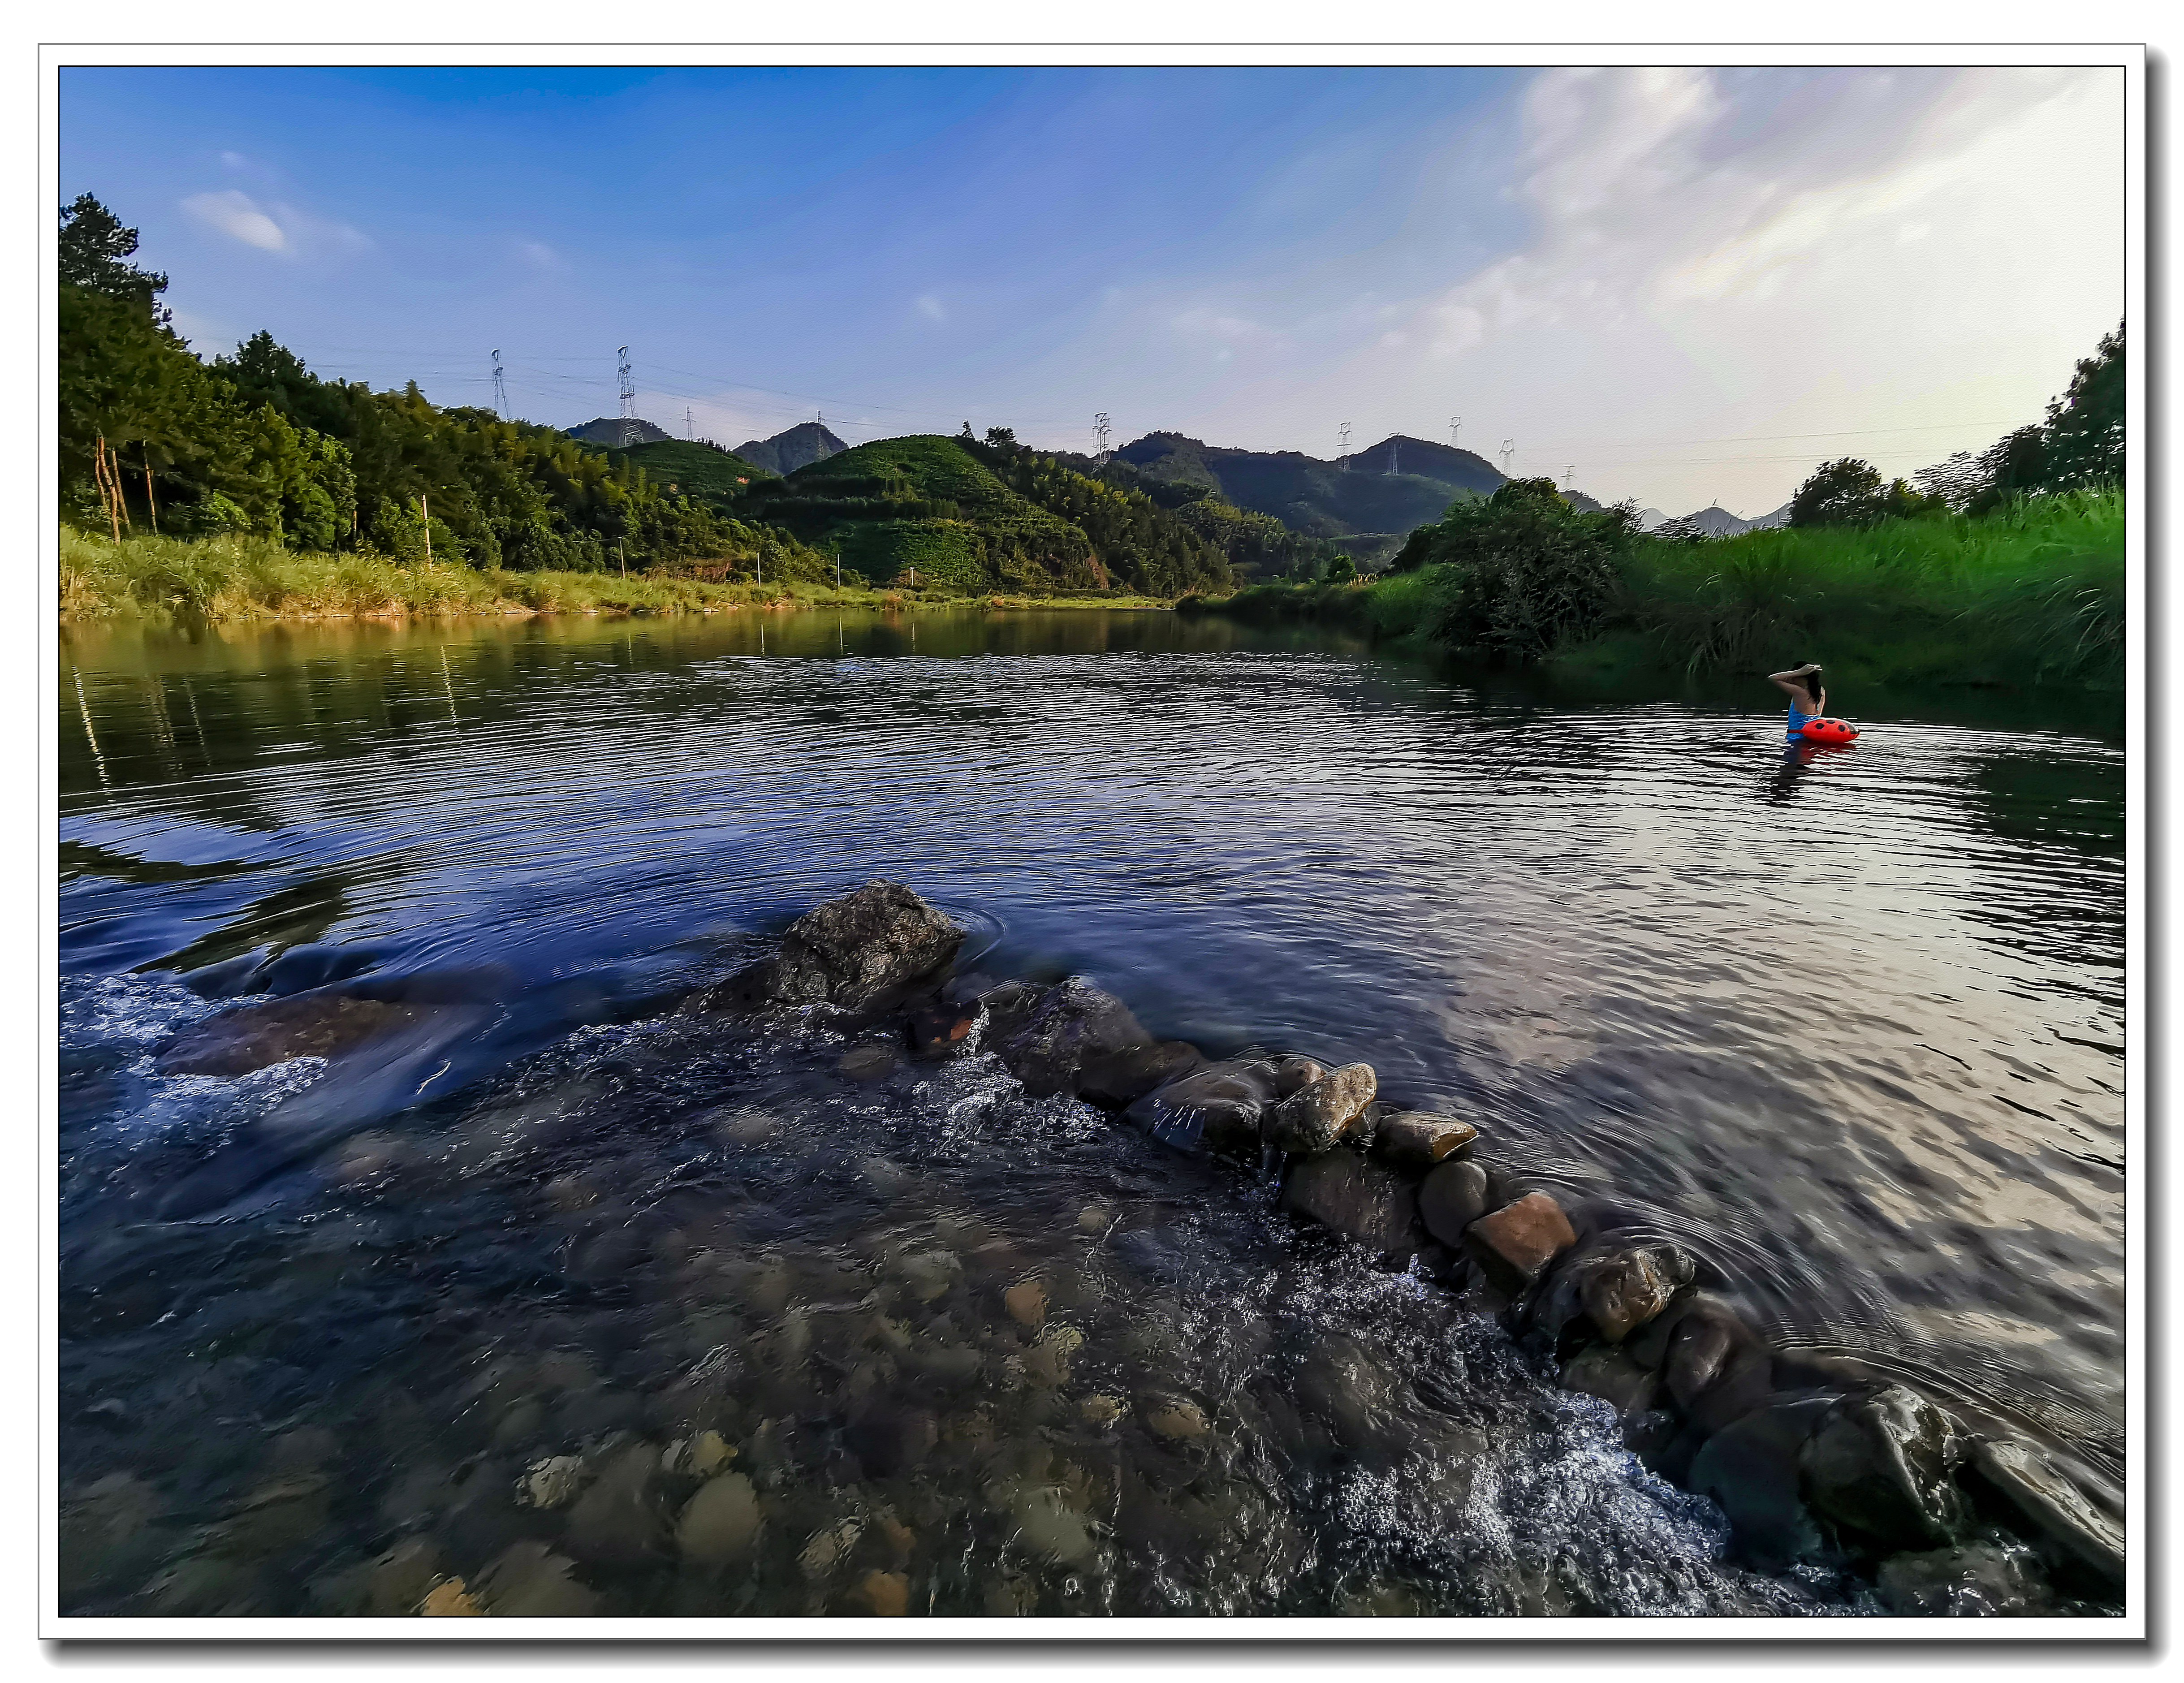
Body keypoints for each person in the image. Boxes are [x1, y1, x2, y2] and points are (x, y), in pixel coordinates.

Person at [1767, 662, 1826, 742]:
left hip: (1795, 739)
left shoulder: (1800, 692)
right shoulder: (1821, 691)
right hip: (1811, 737)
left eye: (1794, 677)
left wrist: (1799, 672)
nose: (1791, 679)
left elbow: (1772, 678)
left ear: (1802, 677)